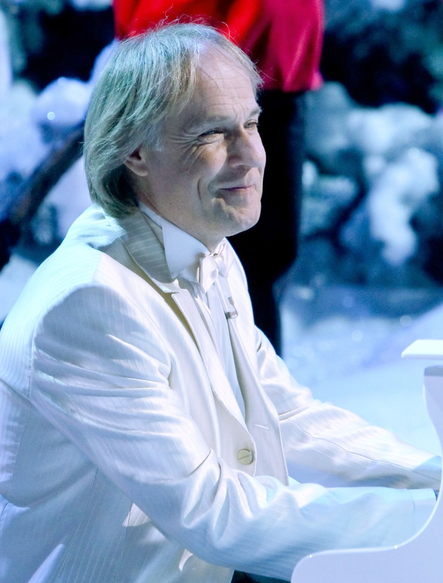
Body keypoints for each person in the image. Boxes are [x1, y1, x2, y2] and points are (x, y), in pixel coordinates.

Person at [0, 24, 440, 583]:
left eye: (252, 123)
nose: (249, 155)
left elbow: (285, 418)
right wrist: (428, 525)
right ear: (135, 151)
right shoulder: (89, 303)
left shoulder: (208, 249)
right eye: (213, 133)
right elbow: (212, 512)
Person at [113, 0, 325, 354]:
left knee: (264, 258)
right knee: (193, 258)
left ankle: (254, 396)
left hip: (276, 61)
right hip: (194, 61)